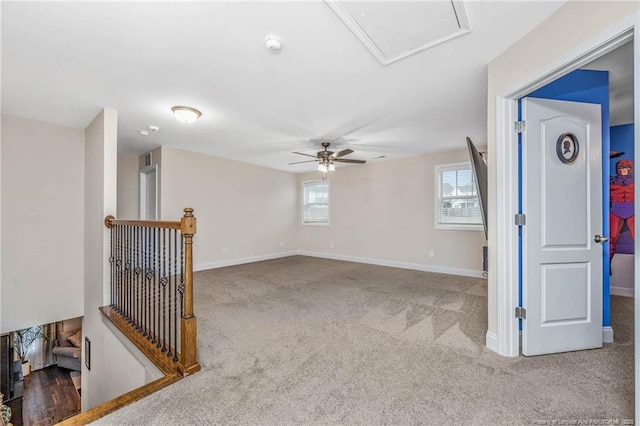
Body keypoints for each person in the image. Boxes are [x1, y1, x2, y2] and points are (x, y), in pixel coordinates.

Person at [610, 158, 634, 267]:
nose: (624, 170)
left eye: (627, 167)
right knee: (611, 237)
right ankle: (607, 265)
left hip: (633, 211)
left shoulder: (636, 180)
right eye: (621, 168)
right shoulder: (611, 181)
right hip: (615, 211)